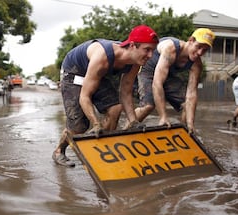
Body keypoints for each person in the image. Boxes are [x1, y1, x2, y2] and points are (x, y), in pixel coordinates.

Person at [52, 25, 159, 167]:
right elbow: (85, 95)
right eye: (147, 50)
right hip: (75, 72)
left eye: (153, 50)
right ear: (133, 46)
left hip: (96, 74)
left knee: (115, 108)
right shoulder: (102, 56)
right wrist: (96, 123)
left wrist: (133, 121)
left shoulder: (135, 62)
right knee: (79, 126)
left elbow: (126, 92)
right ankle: (59, 151)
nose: (151, 56)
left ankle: (104, 152)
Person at [128, 28, 215, 134]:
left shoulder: (197, 64)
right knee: (148, 106)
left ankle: (183, 134)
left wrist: (190, 124)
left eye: (204, 50)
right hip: (148, 71)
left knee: (186, 106)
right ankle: (126, 130)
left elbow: (191, 93)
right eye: (198, 47)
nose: (200, 53)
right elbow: (157, 83)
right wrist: (163, 117)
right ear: (191, 40)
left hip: (167, 75)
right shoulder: (171, 48)